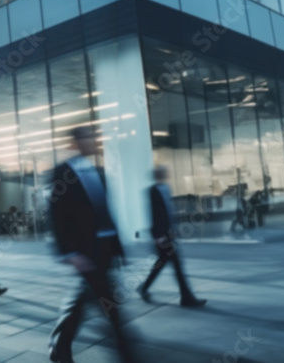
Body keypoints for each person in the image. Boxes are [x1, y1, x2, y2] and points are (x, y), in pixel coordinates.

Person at [48, 126, 133, 363]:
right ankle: (126, 353)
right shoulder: (62, 173)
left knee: (85, 299)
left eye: (94, 137)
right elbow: (56, 215)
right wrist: (69, 252)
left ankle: (59, 345)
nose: (94, 141)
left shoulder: (99, 172)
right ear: (75, 142)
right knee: (110, 305)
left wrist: (118, 247)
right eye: (88, 137)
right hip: (86, 251)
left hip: (105, 248)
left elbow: (105, 211)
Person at [137, 166, 207, 308]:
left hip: (168, 234)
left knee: (162, 265)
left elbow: (169, 213)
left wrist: (174, 231)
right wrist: (158, 236)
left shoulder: (166, 188)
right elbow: (154, 213)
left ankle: (144, 288)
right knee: (176, 266)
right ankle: (187, 298)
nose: (165, 174)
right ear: (157, 175)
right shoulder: (153, 190)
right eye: (162, 173)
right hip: (162, 237)